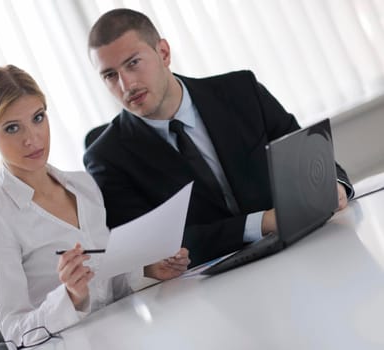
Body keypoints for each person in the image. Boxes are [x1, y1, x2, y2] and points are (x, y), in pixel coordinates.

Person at [83, 8, 354, 268]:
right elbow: (150, 251)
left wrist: (335, 185)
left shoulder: (241, 90)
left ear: (163, 53)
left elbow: (308, 154)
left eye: (133, 63)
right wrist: (263, 223)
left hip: (306, 251)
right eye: (110, 75)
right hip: (207, 288)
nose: (126, 84)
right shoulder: (106, 158)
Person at [0, 64, 190, 344]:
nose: (32, 138)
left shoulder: (83, 186)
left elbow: (108, 282)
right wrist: (70, 297)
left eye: (38, 118)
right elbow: (15, 332)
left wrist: (148, 270)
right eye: (12, 128)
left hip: (124, 334)